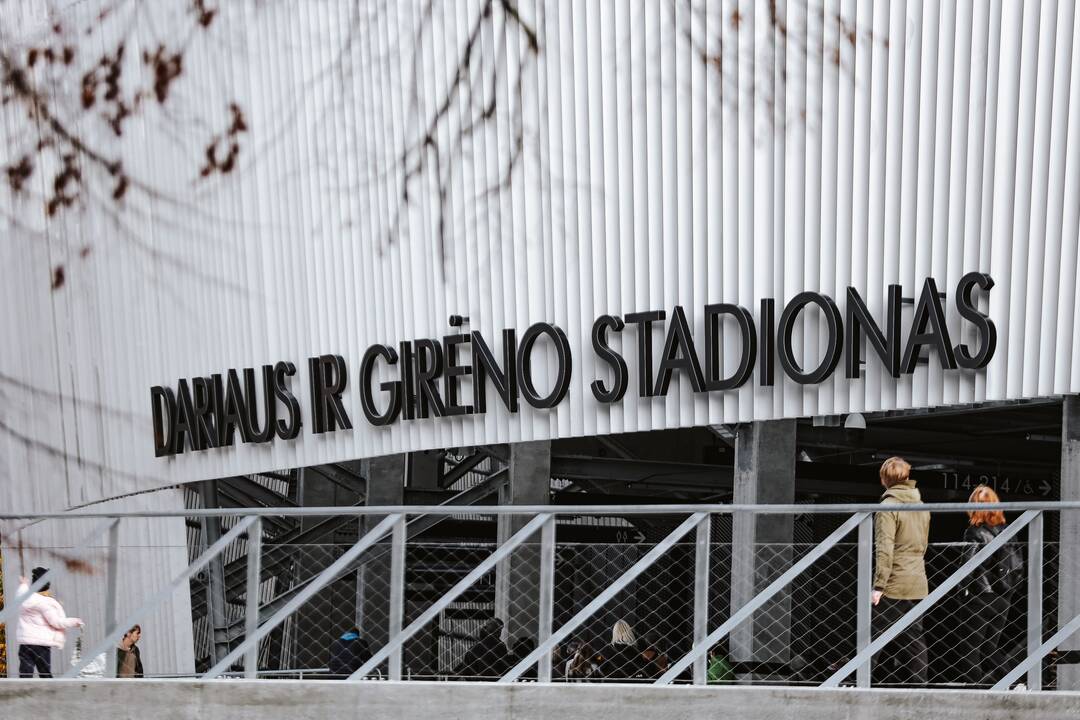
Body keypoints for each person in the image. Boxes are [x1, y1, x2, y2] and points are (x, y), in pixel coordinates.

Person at [871, 457, 930, 686]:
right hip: (917, 579)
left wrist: (878, 586)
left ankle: (860, 680)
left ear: (885, 479)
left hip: (894, 581)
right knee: (913, 636)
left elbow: (884, 548)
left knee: (873, 634)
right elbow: (922, 544)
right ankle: (919, 684)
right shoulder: (922, 505)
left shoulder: (887, 506)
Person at [959, 485, 1022, 686]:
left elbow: (968, 566)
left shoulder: (974, 532)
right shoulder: (1009, 532)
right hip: (1004, 597)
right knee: (990, 648)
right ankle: (1014, 682)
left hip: (980, 596)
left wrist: (962, 592)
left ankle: (975, 691)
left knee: (969, 650)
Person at [16, 567, 84, 678]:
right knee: (45, 673)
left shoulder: (24, 598)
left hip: (25, 643)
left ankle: (23, 694)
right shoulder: (45, 602)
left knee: (25, 673)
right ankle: (50, 694)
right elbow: (56, 622)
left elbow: (21, 592)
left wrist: (23, 584)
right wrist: (74, 621)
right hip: (41, 645)